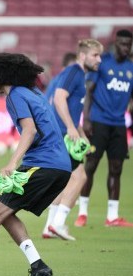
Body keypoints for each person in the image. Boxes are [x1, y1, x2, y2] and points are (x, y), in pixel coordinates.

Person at [0, 53, 71, 276]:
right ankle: (38, 266)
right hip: (60, 167)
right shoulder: (34, 92)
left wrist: (12, 162)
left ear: (1, 75)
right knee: (4, 213)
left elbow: (30, 130)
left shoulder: (15, 95)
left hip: (43, 164)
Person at [41, 39, 103, 241]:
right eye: (95, 55)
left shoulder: (78, 75)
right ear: (83, 55)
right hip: (61, 133)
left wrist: (81, 133)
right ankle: (58, 224)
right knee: (80, 177)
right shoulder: (74, 72)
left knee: (64, 180)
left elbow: (71, 108)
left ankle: (49, 226)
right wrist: (69, 127)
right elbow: (59, 98)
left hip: (62, 132)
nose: (99, 59)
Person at [76, 29, 133, 228]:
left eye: (129, 44)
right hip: (99, 122)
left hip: (118, 124)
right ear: (115, 43)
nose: (126, 48)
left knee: (116, 169)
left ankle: (112, 216)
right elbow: (89, 91)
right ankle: (82, 213)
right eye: (123, 44)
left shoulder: (131, 68)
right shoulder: (102, 63)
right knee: (90, 166)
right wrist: (87, 120)